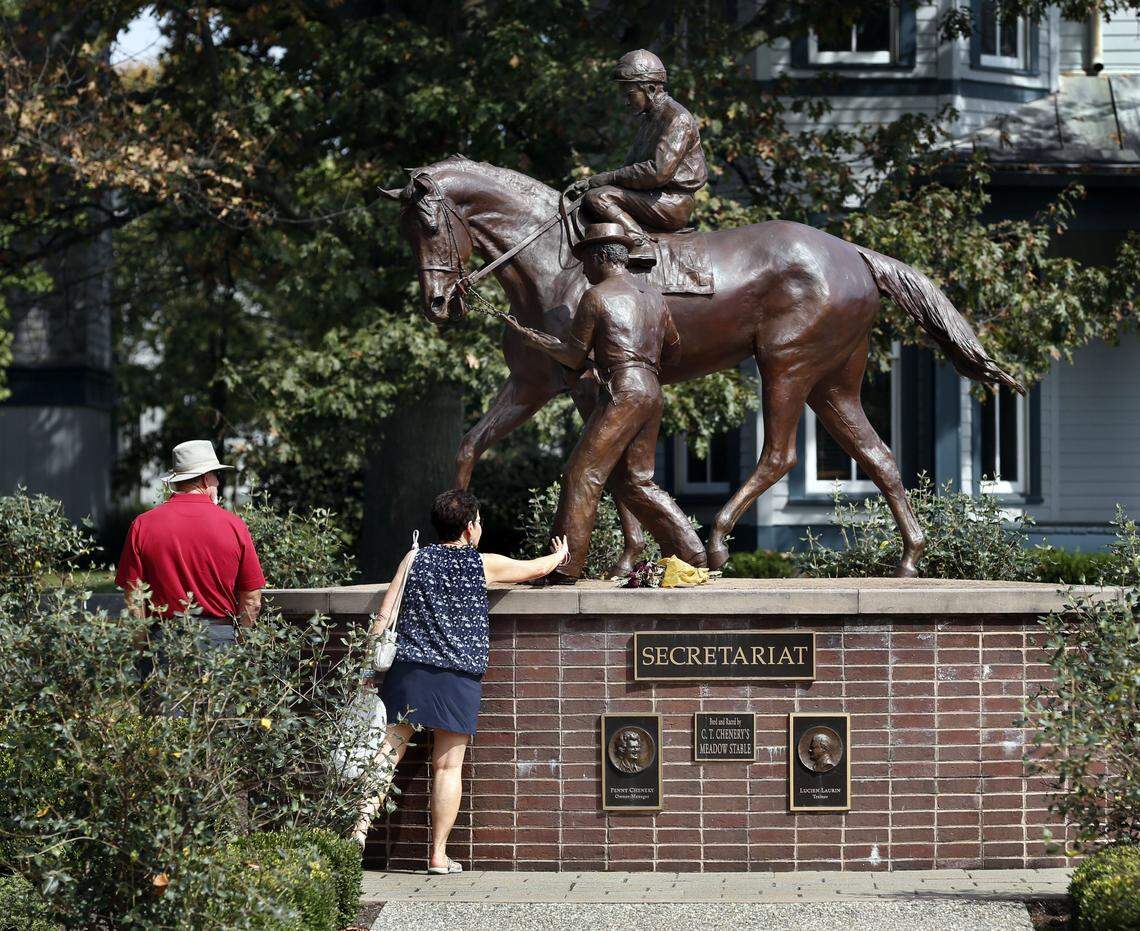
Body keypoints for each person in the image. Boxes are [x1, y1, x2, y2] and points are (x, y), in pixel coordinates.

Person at [357, 489, 569, 871]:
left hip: (409, 669)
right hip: (458, 676)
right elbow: (536, 568)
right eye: (480, 522)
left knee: (385, 756)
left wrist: (368, 666)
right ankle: (438, 854)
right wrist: (559, 554)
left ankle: (355, 836)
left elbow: (386, 612)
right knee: (447, 767)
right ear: (470, 528)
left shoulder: (415, 557)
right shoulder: (481, 565)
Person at [503, 222, 707, 582]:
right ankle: (691, 550)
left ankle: (565, 567)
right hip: (651, 389)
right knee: (635, 480)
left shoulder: (595, 297)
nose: (583, 269)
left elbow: (573, 356)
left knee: (582, 473)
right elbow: (674, 350)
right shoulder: (654, 298)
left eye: (585, 261)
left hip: (623, 391)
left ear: (600, 257)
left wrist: (532, 338)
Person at [115, 440, 265, 647]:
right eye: (216, 476)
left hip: (164, 640)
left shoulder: (142, 525)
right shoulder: (235, 526)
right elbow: (252, 601)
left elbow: (134, 599)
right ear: (205, 479)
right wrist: (240, 645)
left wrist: (142, 649)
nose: (218, 483)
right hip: (219, 641)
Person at [568, 49, 707, 266]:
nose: (625, 102)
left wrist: (607, 179)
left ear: (650, 89)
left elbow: (658, 172)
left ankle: (639, 242)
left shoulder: (676, 118)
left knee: (599, 198)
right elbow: (630, 168)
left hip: (671, 202)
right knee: (591, 196)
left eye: (629, 94)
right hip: (651, 197)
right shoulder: (649, 120)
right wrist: (591, 182)